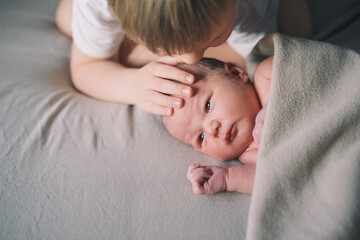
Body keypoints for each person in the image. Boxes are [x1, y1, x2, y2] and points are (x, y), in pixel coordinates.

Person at [55, 0, 312, 116]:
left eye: (216, 35)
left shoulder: (250, 6)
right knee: (66, 20)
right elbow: (85, 68)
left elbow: (255, 60)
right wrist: (133, 85)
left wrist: (130, 54)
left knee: (298, 31)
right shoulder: (99, 3)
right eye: (160, 48)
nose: (192, 58)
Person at [162, 57, 273, 195]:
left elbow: (301, 63)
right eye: (201, 137)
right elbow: (276, 178)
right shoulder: (250, 159)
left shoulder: (265, 77)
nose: (211, 130)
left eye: (208, 106)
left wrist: (274, 105)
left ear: (236, 73)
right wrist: (227, 178)